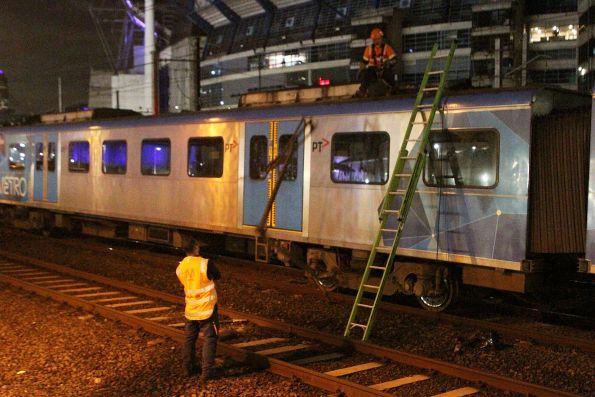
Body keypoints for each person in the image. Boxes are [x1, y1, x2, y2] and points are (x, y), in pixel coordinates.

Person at [176, 239, 221, 385]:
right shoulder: (205, 263)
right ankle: (207, 372)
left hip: (190, 309)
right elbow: (217, 275)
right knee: (210, 338)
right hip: (207, 309)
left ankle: (187, 368)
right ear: (196, 248)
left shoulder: (180, 267)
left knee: (190, 338)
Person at [355, 28, 397, 97]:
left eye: (378, 39)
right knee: (366, 73)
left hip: (384, 69)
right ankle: (362, 91)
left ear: (381, 38)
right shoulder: (368, 49)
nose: (376, 41)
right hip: (372, 71)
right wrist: (360, 69)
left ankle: (393, 88)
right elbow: (364, 62)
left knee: (390, 73)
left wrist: (389, 63)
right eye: (374, 40)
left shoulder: (387, 48)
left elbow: (395, 60)